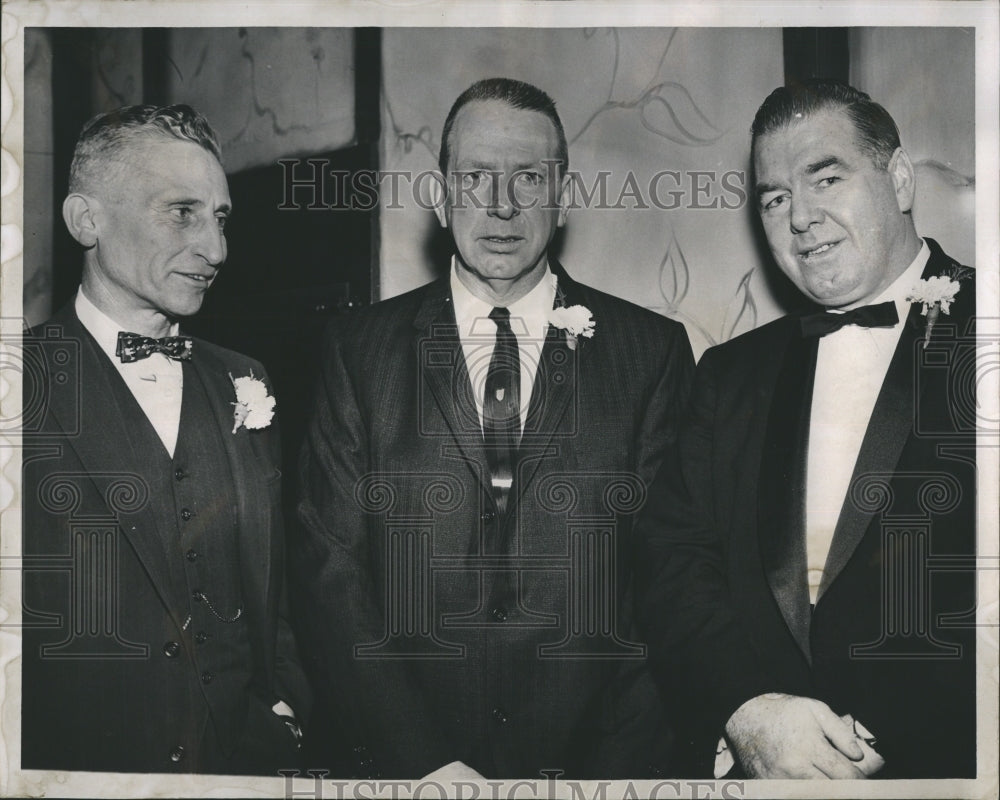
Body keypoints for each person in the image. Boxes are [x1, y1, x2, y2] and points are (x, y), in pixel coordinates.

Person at [296, 77, 694, 779]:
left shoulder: (650, 352)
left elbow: (667, 580)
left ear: (563, 196)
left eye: (528, 178)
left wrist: (605, 778)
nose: (502, 204)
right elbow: (331, 574)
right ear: (441, 195)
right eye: (476, 176)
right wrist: (422, 766)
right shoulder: (357, 349)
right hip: (406, 770)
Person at [640, 80, 976, 779]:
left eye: (827, 178)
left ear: (902, 180)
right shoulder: (729, 375)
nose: (801, 218)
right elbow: (671, 565)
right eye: (775, 198)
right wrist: (746, 709)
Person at [21, 104, 310, 774]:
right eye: (183, 213)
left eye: (221, 218)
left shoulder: (246, 378)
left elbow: (278, 580)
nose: (217, 250)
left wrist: (289, 710)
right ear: (85, 219)